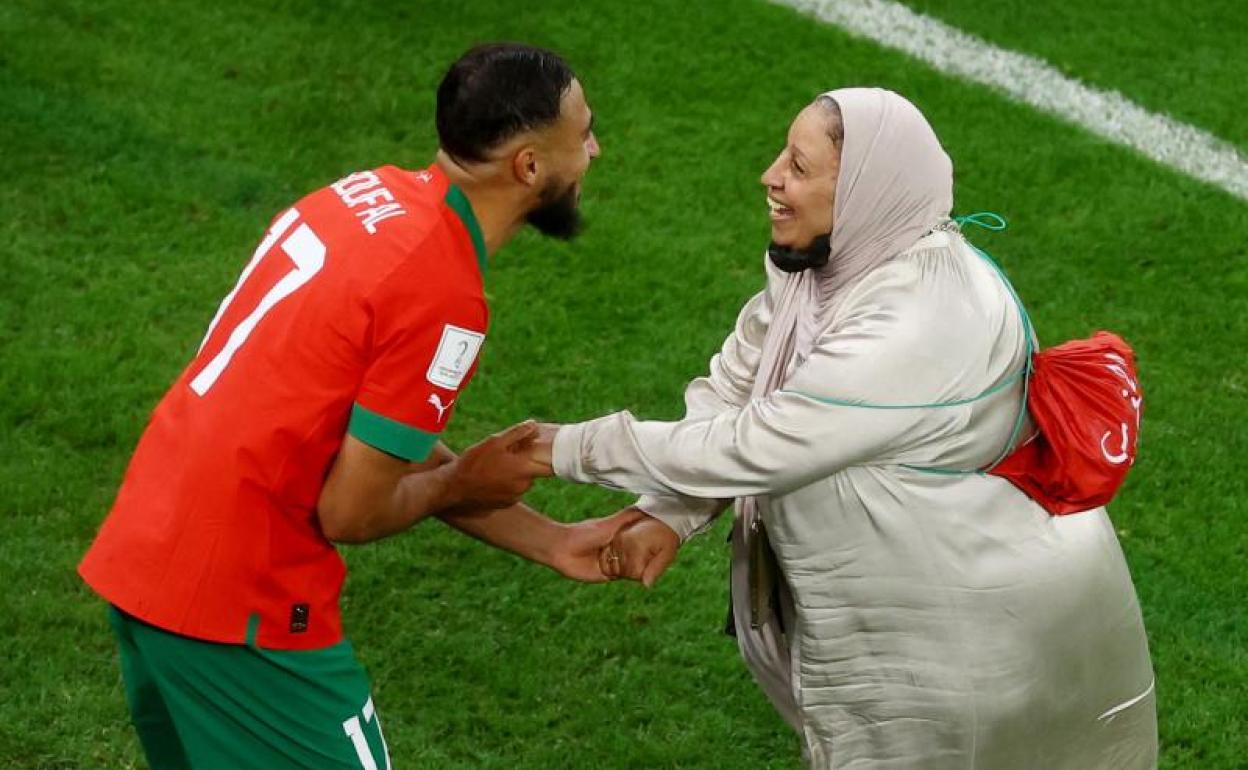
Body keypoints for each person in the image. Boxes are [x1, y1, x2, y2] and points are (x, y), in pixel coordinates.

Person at [525, 88, 1158, 768]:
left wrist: (556, 449)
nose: (770, 176)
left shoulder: (920, 319)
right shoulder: (830, 270)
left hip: (976, 650)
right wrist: (669, 517)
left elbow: (758, 444)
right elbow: (736, 389)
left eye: (798, 166)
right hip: (922, 620)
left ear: (861, 189)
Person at [77, 43, 633, 769]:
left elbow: (369, 438)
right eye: (583, 134)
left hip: (151, 554)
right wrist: (462, 482)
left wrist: (550, 540)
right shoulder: (444, 294)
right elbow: (352, 511)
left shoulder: (367, 196)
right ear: (529, 168)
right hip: (242, 599)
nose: (594, 148)